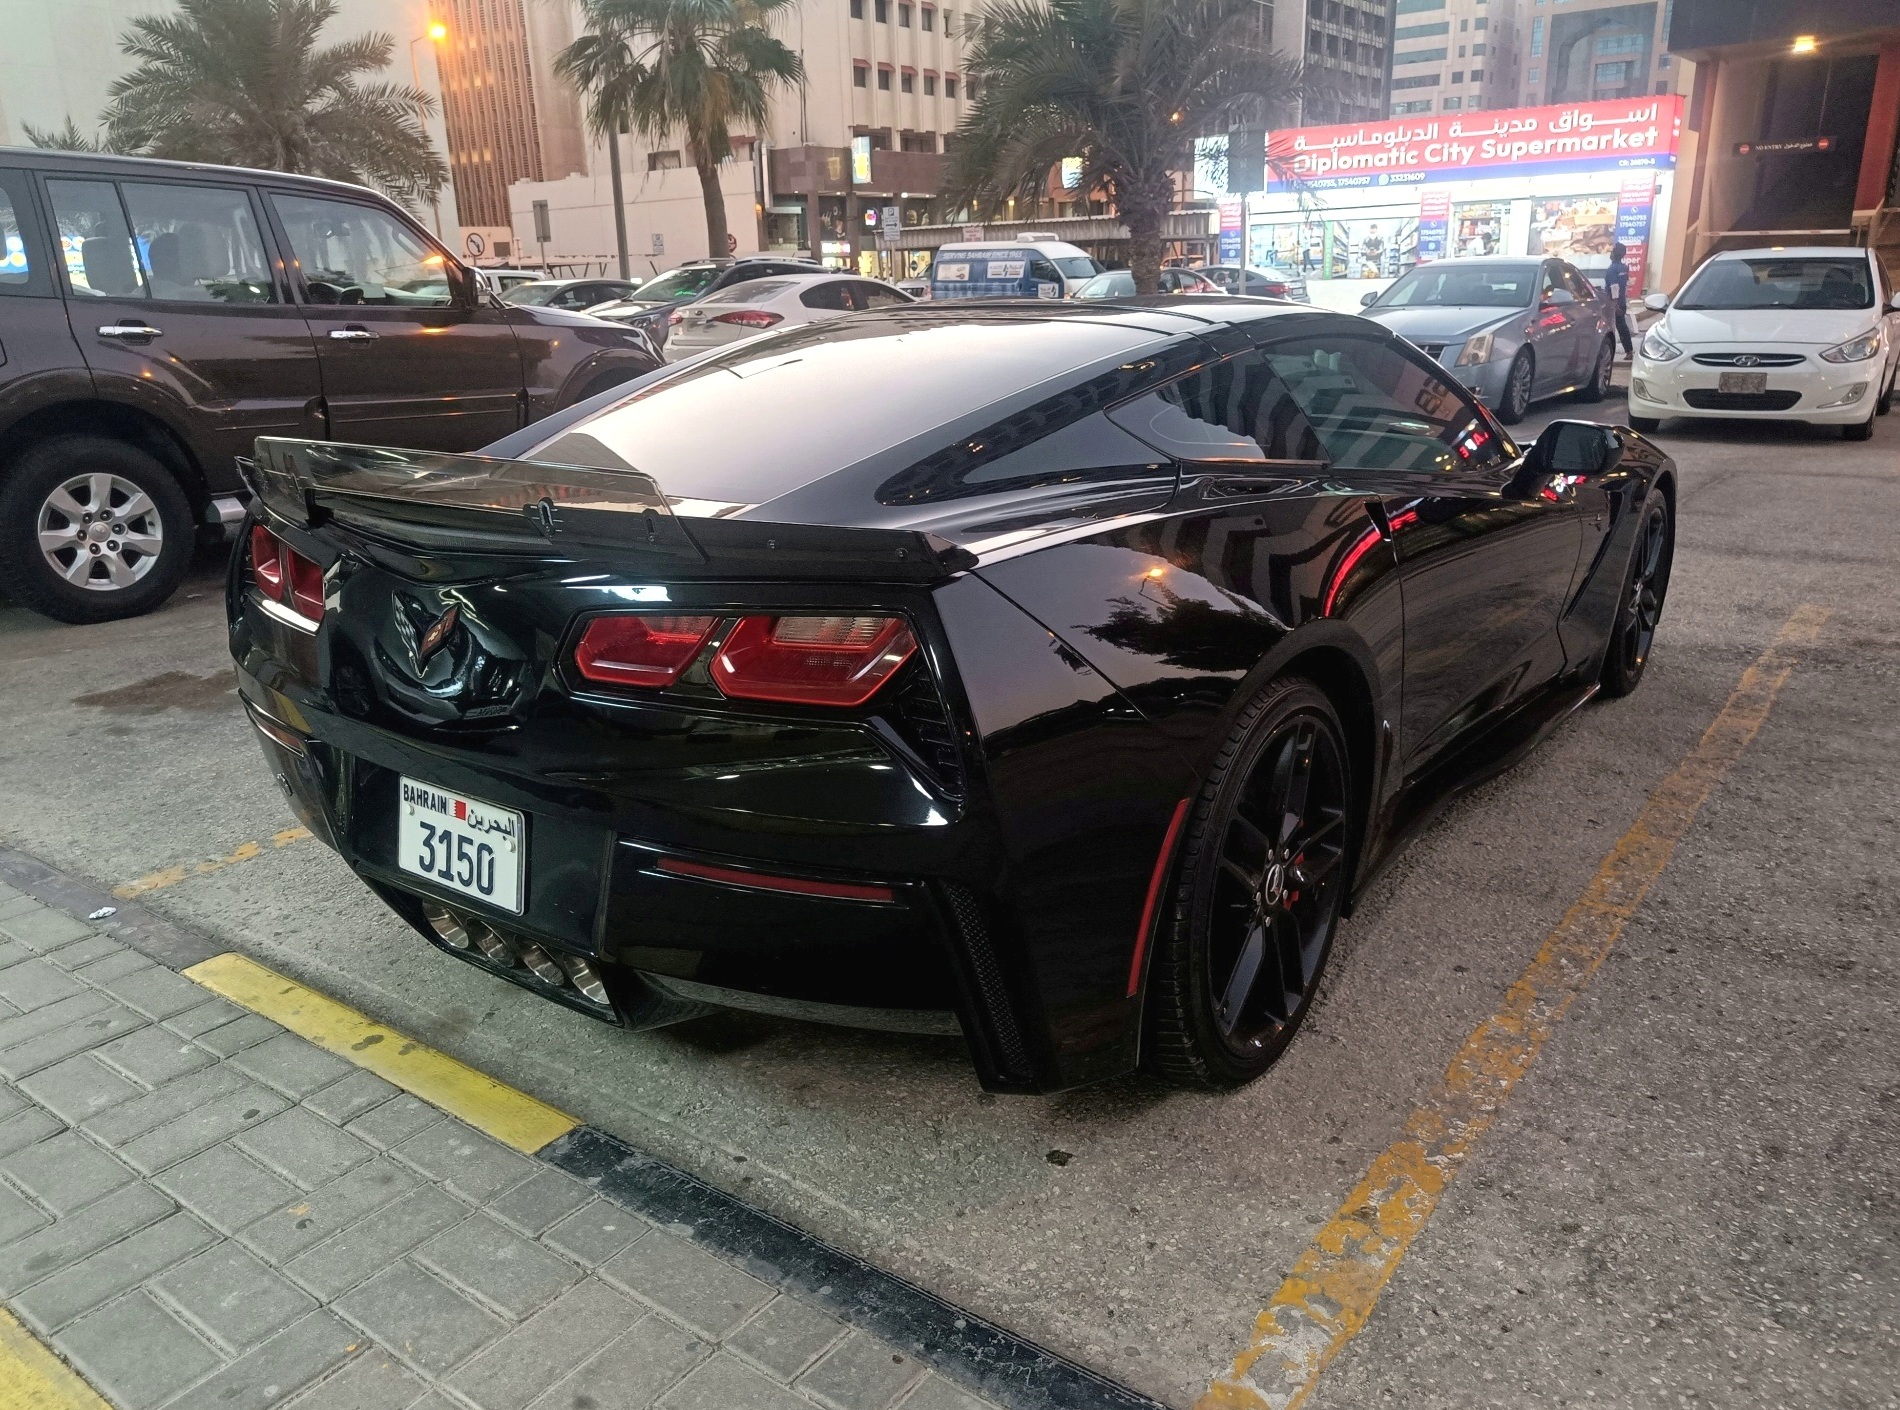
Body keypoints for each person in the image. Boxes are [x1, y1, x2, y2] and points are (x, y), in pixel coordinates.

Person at [1604, 242, 1634, 359]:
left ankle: (1619, 352)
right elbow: (1624, 285)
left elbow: (1614, 287)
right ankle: (1629, 350)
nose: (1611, 253)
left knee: (1613, 328)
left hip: (1614, 303)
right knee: (1622, 327)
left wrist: (1614, 305)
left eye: (1612, 251)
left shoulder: (1612, 270)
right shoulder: (1624, 268)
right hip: (1622, 301)